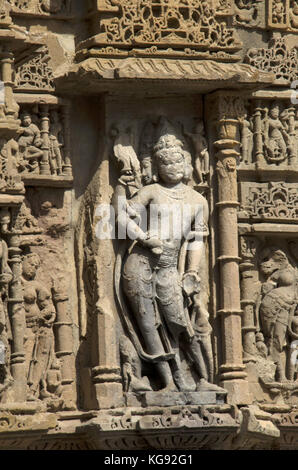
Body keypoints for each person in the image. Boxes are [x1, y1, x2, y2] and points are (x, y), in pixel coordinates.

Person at [117, 128, 220, 392]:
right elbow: (119, 220)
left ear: (186, 163)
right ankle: (169, 380)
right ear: (156, 166)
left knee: (178, 323)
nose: (172, 167)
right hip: (140, 263)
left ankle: (197, 376)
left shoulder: (198, 201)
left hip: (170, 268)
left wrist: (192, 272)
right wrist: (142, 236)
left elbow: (198, 239)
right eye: (165, 162)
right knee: (148, 323)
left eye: (176, 161)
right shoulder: (151, 191)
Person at [21, 253, 56, 400]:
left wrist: (42, 317)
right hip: (17, 330)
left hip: (35, 327)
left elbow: (49, 308)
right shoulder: (11, 281)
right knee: (21, 359)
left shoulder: (36, 286)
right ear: (22, 261)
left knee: (36, 358)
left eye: (36, 267)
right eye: (30, 264)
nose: (33, 269)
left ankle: (33, 390)